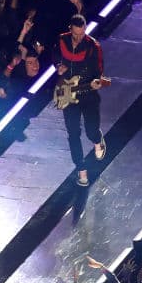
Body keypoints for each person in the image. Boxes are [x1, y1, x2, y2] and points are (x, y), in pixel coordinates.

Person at [54, 14, 107, 186]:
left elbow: (99, 71)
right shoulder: (62, 40)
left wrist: (96, 82)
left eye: (81, 33)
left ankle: (97, 140)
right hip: (68, 93)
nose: (78, 37)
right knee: (73, 133)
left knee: (91, 130)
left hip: (87, 92)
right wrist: (58, 65)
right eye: (75, 34)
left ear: (85, 29)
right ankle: (81, 169)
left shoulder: (93, 46)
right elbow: (54, 54)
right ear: (70, 29)